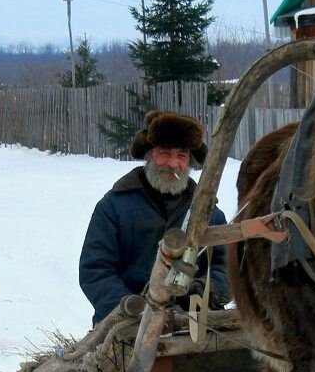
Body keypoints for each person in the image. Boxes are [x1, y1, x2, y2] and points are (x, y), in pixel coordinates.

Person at [79, 111, 230, 324]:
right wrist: (130, 308)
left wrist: (204, 291)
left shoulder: (208, 212)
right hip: (124, 326)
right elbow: (95, 270)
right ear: (149, 154)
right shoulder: (114, 207)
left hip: (194, 326)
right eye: (164, 153)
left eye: (181, 155)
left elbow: (226, 266)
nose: (173, 164)